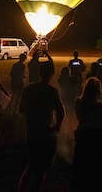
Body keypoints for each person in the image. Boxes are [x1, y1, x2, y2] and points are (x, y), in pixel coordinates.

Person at [19, 61, 65, 192]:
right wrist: (57, 127)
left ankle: (22, 188)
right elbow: (61, 112)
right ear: (52, 74)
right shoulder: (52, 91)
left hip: (32, 132)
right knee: (43, 168)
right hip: (47, 134)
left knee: (32, 165)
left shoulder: (28, 89)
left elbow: (21, 110)